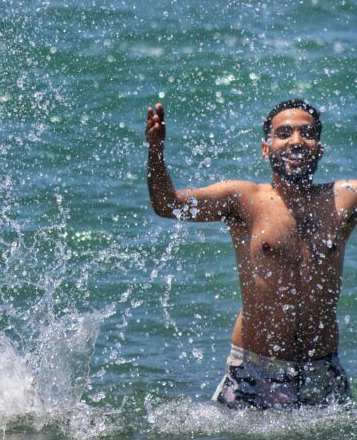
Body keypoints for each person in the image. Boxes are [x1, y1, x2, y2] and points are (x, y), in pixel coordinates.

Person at [145, 99, 356, 409]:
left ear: (319, 148)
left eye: (306, 133)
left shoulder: (344, 200)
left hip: (321, 371)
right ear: (266, 148)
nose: (296, 141)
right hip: (255, 371)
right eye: (284, 133)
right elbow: (168, 205)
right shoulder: (244, 199)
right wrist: (155, 152)